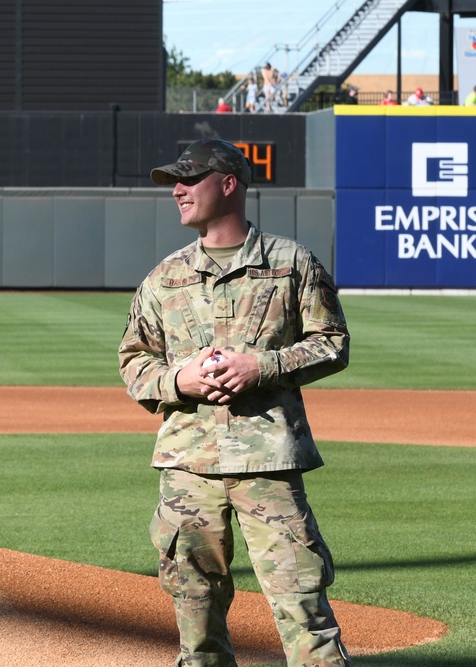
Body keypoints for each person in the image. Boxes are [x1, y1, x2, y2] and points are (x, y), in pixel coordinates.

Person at [119, 138, 352, 667]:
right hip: (188, 470)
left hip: (267, 462)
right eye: (173, 181)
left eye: (189, 178)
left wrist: (260, 366)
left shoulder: (291, 264)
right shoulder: (164, 277)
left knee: (304, 610)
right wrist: (182, 380)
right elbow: (134, 364)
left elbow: (332, 343)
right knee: (195, 619)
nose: (177, 189)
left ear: (228, 184)